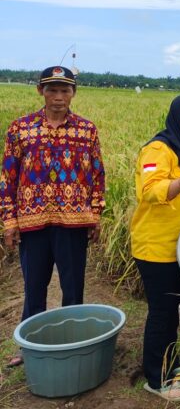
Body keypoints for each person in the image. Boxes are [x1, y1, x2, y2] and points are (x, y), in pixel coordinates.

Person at [1, 66, 105, 368]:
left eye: (65, 90)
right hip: (32, 224)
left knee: (73, 288)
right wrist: (9, 220)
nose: (59, 97)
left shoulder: (87, 130)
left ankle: (71, 344)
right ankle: (29, 346)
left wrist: (95, 214)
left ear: (73, 93)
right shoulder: (20, 128)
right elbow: (8, 177)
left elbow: (97, 174)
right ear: (40, 91)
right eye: (52, 90)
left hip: (73, 223)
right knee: (34, 287)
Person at [130, 93, 180, 402]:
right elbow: (150, 191)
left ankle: (171, 363)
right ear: (177, 116)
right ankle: (157, 377)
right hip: (156, 246)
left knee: (175, 310)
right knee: (162, 312)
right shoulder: (157, 149)